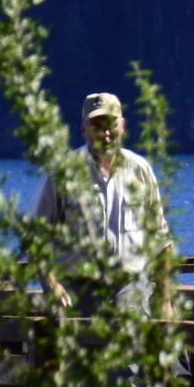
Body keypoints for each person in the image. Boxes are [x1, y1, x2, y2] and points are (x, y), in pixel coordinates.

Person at [30, 90, 164, 315]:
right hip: (77, 292)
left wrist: (165, 298)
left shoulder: (140, 171)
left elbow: (161, 240)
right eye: (97, 125)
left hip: (130, 290)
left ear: (123, 125)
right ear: (83, 128)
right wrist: (51, 285)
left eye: (111, 124)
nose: (105, 133)